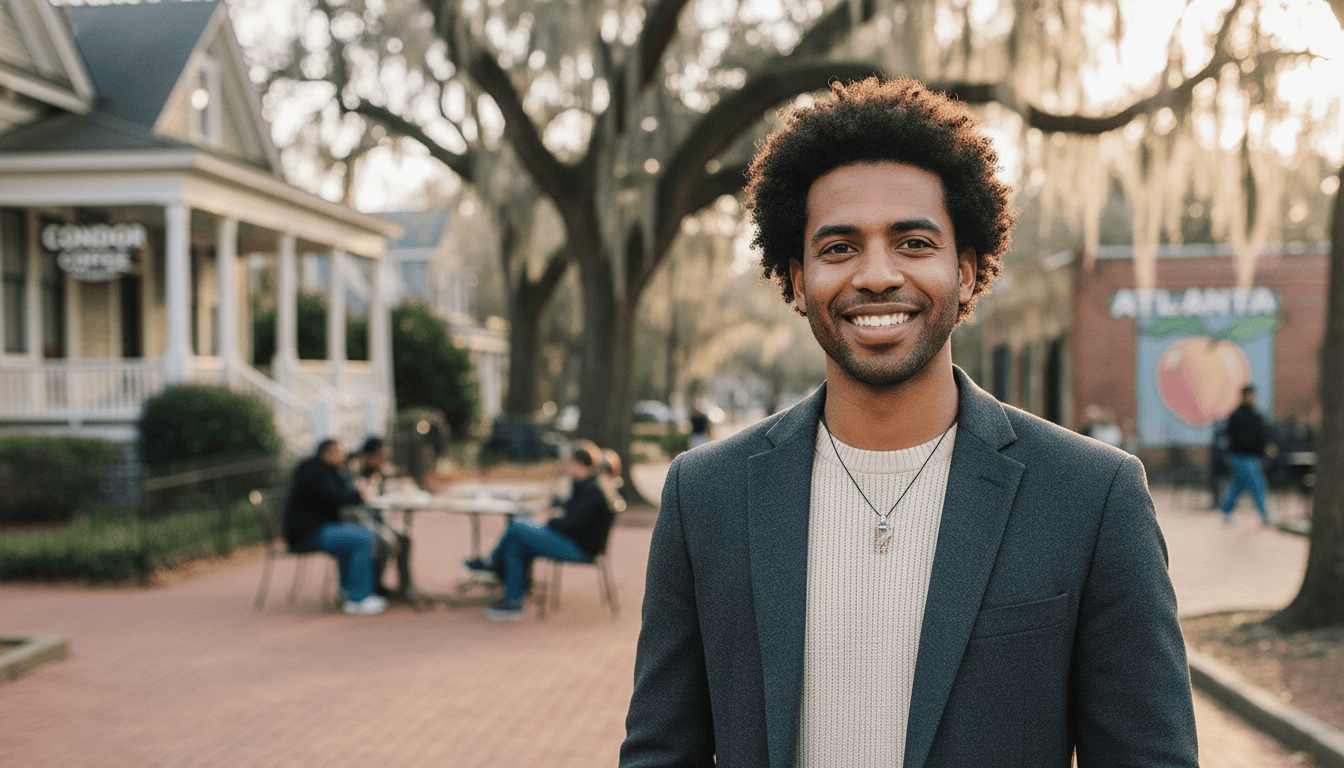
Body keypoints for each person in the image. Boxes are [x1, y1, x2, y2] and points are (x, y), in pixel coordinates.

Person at [620, 77, 1197, 767]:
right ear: (797, 279)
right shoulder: (704, 496)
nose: (876, 275)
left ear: (969, 271)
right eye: (839, 248)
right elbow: (660, 753)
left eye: (914, 242)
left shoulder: (1091, 496)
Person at [463, 440, 615, 621]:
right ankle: (513, 602)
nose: (565, 468)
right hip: (573, 541)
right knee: (516, 545)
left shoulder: (593, 490)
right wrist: (558, 504)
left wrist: (551, 521)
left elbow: (573, 523)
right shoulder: (586, 485)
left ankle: (492, 563)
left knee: (517, 526)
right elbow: (573, 512)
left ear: (579, 464)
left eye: (569, 463)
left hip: (581, 548)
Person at [283, 438, 387, 615]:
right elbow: (337, 497)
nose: (345, 457)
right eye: (341, 452)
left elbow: (340, 493)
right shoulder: (315, 473)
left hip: (316, 529)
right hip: (309, 533)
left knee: (359, 536)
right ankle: (359, 598)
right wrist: (360, 494)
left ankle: (348, 593)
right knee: (364, 538)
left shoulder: (323, 470)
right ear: (329, 453)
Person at [352, 436, 413, 598]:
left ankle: (405, 588)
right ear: (367, 456)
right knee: (384, 542)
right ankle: (375, 586)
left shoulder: (377, 474)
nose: (384, 461)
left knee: (404, 538)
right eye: (380, 457)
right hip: (359, 521)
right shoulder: (356, 473)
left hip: (378, 520)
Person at [1220, 385, 1273, 525]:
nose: (1252, 398)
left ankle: (1225, 511)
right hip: (1241, 456)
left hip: (1253, 456)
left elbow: (1262, 435)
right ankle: (1265, 515)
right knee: (1258, 484)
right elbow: (1230, 435)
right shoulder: (1237, 416)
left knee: (1238, 485)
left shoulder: (1256, 415)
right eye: (1249, 395)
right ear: (1243, 396)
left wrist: (1264, 449)